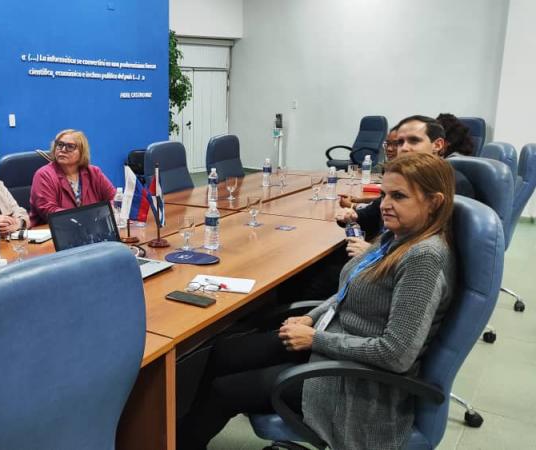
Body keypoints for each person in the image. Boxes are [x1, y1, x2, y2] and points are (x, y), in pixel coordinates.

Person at [178, 152, 456, 450]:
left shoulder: (424, 257)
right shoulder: (398, 238)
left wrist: (314, 339)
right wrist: (312, 317)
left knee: (225, 391)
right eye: (385, 194)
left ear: (434, 202)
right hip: (335, 345)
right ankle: (173, 434)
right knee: (226, 351)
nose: (385, 205)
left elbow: (396, 354)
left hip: (356, 384)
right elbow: (350, 288)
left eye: (399, 196)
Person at [337, 115, 474, 257]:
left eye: (414, 141)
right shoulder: (403, 177)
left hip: (391, 264)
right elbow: (374, 214)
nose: (404, 148)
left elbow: (434, 252)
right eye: (400, 142)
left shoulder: (453, 184)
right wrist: (351, 216)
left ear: (438, 145)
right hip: (378, 254)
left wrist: (372, 253)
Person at [29, 129, 117, 225]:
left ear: (82, 152)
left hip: (90, 230)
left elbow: (115, 199)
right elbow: (49, 211)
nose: (62, 150)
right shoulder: (44, 175)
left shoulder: (94, 172)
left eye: (70, 147)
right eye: (60, 144)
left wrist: (107, 212)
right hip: (52, 233)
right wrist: (88, 217)